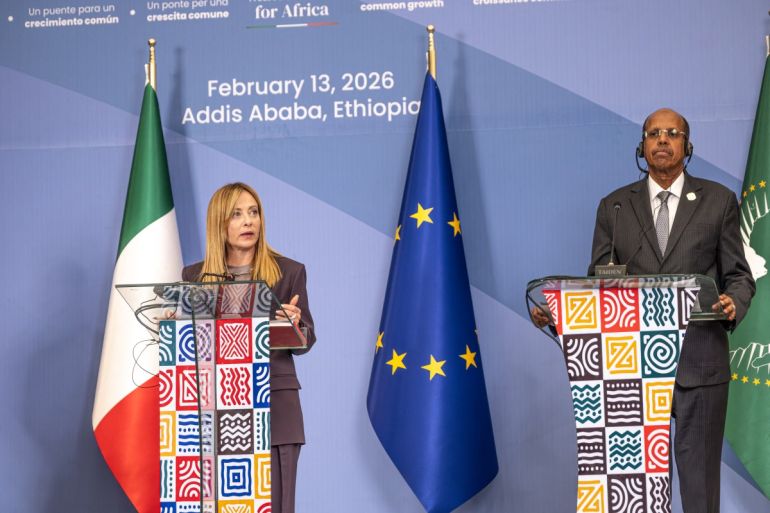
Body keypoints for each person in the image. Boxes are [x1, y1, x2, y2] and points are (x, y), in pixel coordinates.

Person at [588, 108, 755, 512]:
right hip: (632, 369)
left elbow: (739, 276)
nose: (662, 140)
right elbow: (596, 282)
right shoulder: (614, 207)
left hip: (700, 362)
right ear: (641, 147)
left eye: (672, 133)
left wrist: (734, 303)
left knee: (699, 491)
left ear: (687, 145)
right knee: (637, 493)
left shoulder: (718, 201)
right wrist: (560, 314)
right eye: (654, 134)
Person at [182, 182, 315, 513]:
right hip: (215, 410)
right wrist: (176, 325)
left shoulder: (288, 271)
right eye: (237, 214)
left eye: (253, 213)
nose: (248, 222)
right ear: (219, 223)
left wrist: (294, 324)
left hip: (274, 409)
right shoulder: (194, 277)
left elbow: (306, 339)